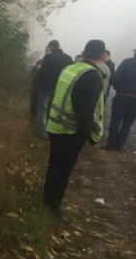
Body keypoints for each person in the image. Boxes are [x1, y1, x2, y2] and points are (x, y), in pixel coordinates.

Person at [43, 39, 107, 221]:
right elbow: (86, 111)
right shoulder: (92, 76)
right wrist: (87, 134)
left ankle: (47, 199)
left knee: (54, 164)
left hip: (55, 124)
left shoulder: (71, 68)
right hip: (71, 131)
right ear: (102, 56)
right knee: (63, 169)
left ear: (84, 52)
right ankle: (53, 206)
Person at [36, 40, 73, 139]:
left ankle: (42, 132)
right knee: (57, 110)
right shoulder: (68, 59)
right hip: (61, 88)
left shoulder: (49, 58)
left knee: (43, 109)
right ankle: (55, 130)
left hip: (47, 87)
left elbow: (43, 73)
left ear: (51, 47)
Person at [104, 49, 136, 151]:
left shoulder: (127, 62)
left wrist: (118, 88)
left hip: (121, 95)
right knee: (128, 122)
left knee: (115, 120)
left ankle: (111, 145)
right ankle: (120, 146)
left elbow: (115, 78)